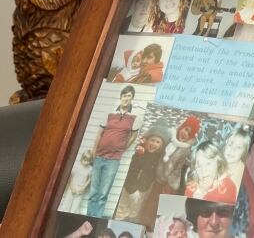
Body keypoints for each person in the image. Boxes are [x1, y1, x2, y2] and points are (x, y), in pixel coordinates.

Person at [85, 85, 139, 217]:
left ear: (132, 99)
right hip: (99, 156)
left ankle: (96, 217)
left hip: (114, 159)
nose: (126, 98)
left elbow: (134, 135)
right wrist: (93, 151)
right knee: (93, 191)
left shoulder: (133, 117)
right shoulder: (109, 114)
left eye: (129, 96)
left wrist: (123, 147)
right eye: (124, 95)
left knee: (103, 193)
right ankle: (88, 216)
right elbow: (99, 133)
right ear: (121, 97)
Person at [114, 124, 170, 223]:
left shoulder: (158, 158)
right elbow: (131, 172)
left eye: (158, 142)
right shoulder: (139, 153)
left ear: (161, 145)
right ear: (147, 140)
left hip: (143, 191)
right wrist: (132, 190)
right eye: (152, 140)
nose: (154, 144)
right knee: (121, 211)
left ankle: (131, 222)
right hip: (129, 189)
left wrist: (142, 190)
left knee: (134, 213)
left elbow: (152, 176)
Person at [59, 150, 93, 214]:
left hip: (81, 189)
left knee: (75, 208)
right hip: (72, 187)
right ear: (82, 158)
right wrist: (72, 187)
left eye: (88, 161)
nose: (86, 162)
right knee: (66, 204)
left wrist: (83, 188)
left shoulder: (90, 169)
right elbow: (71, 177)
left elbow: (90, 179)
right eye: (85, 160)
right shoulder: (76, 165)